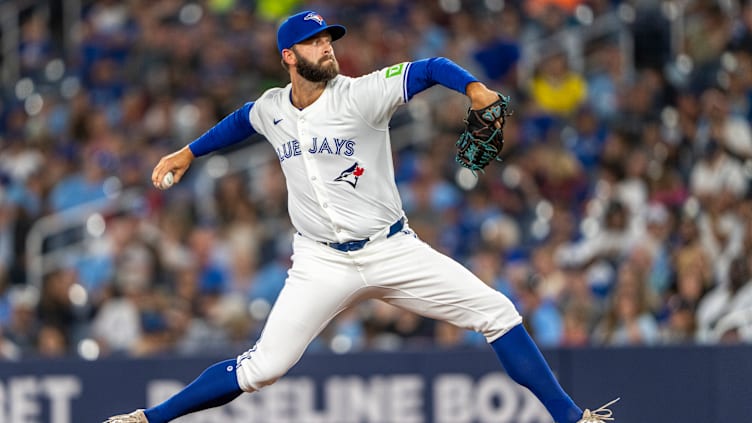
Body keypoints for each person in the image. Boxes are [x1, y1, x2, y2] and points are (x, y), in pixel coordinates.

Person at [104, 10, 618, 423]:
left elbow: (430, 67)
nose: (327, 47)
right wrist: (188, 153)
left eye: (329, 39)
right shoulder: (272, 107)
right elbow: (241, 121)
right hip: (319, 263)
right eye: (314, 42)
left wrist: (473, 90)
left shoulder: (360, 94)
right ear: (289, 55)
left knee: (497, 312)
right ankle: (148, 419)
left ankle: (573, 419)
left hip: (392, 248)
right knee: (263, 367)